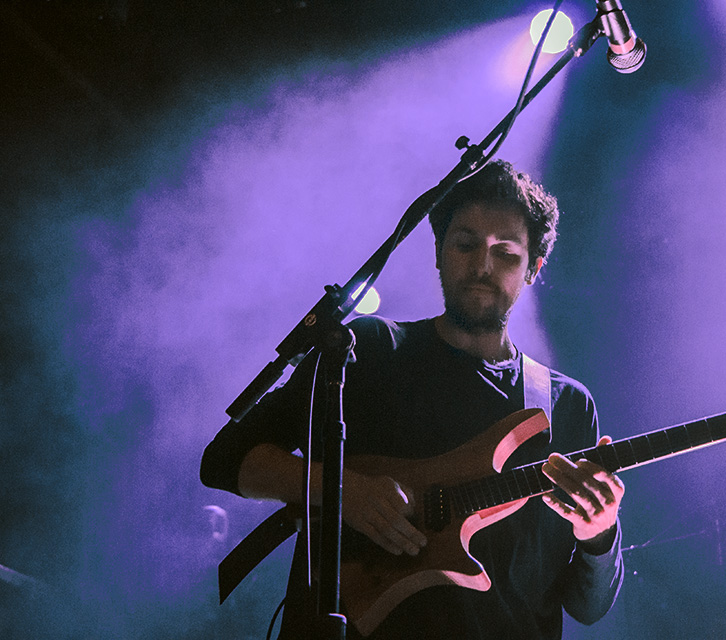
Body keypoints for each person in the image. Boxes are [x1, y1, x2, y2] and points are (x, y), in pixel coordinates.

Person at [200, 160, 625, 639]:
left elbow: (586, 608)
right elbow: (224, 458)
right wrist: (341, 491)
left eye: (506, 253)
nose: (483, 266)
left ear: (533, 270)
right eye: (465, 244)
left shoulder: (564, 405)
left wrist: (599, 533)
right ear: (438, 252)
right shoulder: (367, 351)